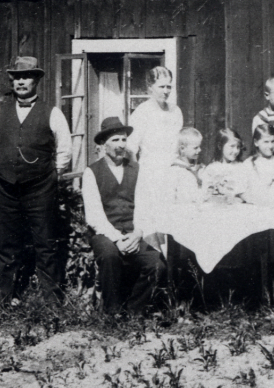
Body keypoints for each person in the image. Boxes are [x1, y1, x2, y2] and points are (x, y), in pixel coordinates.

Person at [0, 56, 72, 304]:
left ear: (36, 80)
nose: (21, 82)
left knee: (45, 243)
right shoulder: (1, 112)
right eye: (17, 78)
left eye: (26, 77)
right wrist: (8, 170)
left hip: (41, 188)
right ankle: (6, 299)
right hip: (7, 187)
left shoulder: (52, 113)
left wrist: (47, 177)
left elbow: (64, 151)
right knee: (8, 243)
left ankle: (52, 302)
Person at [82, 116, 166, 314]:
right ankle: (112, 312)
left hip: (133, 232)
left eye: (123, 140)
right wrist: (118, 239)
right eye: (115, 140)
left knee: (157, 265)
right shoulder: (92, 172)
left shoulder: (136, 169)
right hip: (105, 234)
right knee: (110, 256)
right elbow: (94, 216)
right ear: (103, 144)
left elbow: (144, 206)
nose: (121, 145)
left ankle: (134, 312)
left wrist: (137, 234)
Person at [127, 66, 184, 234]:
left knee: (173, 221)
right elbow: (131, 148)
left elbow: (179, 144)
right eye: (161, 86)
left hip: (173, 172)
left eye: (169, 86)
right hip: (150, 174)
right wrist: (140, 175)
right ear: (150, 87)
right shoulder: (142, 112)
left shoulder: (176, 111)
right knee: (151, 223)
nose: (166, 91)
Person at [201, 127, 255, 202]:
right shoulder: (211, 169)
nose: (236, 151)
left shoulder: (241, 168)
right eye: (232, 146)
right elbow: (206, 194)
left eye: (238, 147)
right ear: (220, 146)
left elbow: (244, 193)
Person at [249, 123, 274, 204]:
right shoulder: (249, 164)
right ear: (256, 142)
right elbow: (242, 190)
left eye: (273, 141)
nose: (270, 146)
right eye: (266, 142)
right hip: (256, 205)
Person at [168, 127, 205, 204]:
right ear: (182, 149)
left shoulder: (200, 167)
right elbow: (169, 197)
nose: (200, 150)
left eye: (199, 146)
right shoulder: (175, 171)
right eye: (196, 148)